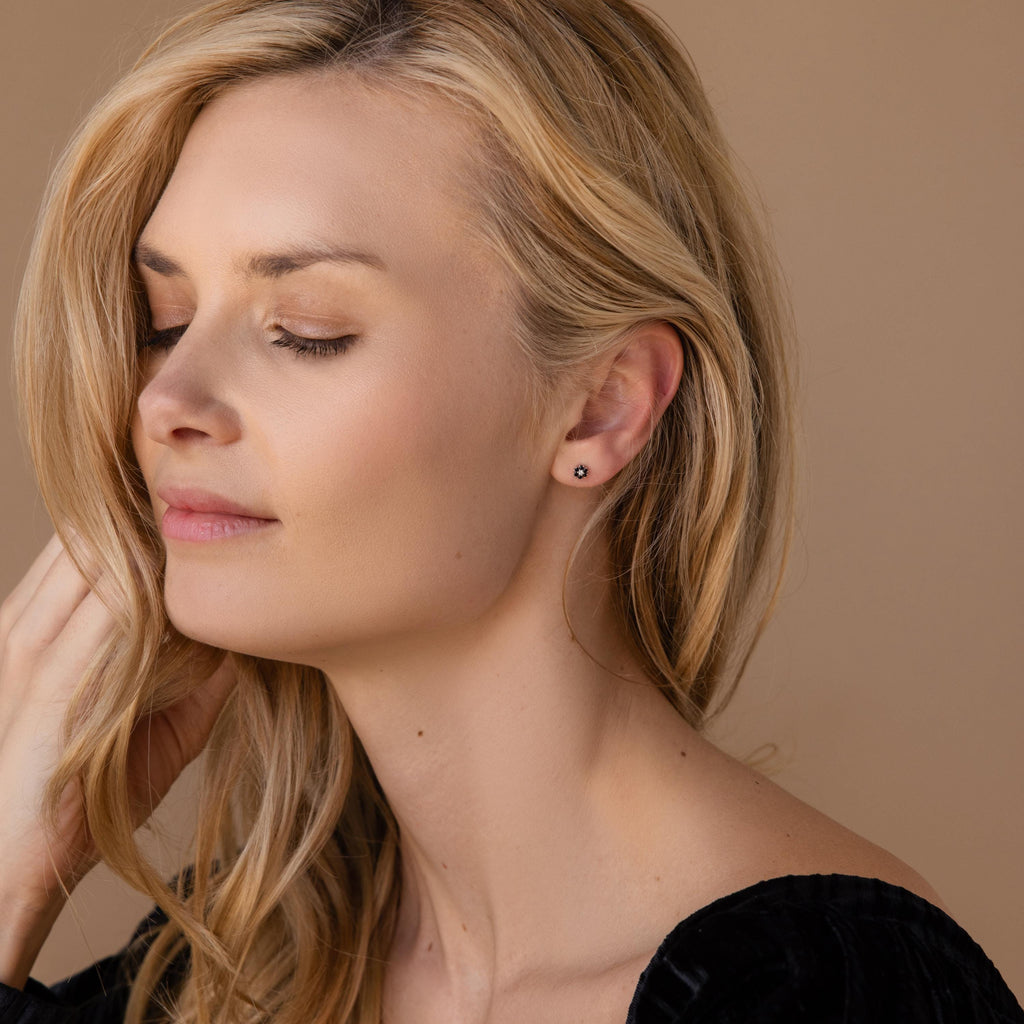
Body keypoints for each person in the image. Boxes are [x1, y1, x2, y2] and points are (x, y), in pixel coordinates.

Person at [0, 0, 1020, 1021]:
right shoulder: (222, 973)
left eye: (304, 330)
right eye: (166, 321)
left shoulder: (824, 994)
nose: (166, 401)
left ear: (602, 406)